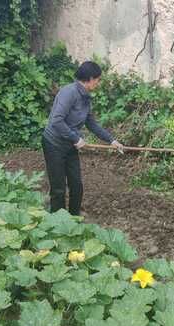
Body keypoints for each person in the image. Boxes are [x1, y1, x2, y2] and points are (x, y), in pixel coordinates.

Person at [42, 61, 124, 216]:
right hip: (54, 144)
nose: (98, 83)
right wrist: (76, 138)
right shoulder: (69, 93)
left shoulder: (85, 97)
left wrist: (111, 140)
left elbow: (91, 123)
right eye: (98, 80)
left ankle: (74, 216)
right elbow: (56, 121)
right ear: (91, 78)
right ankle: (58, 221)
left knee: (76, 184)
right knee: (58, 187)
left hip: (70, 145)